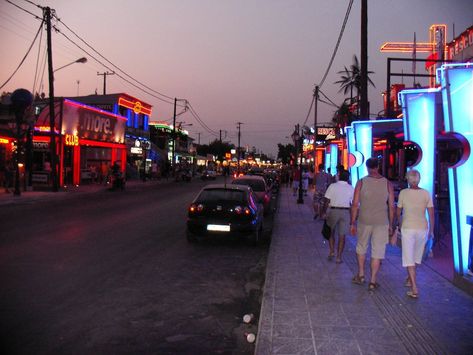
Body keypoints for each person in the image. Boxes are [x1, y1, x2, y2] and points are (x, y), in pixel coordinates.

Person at [350, 157, 395, 291]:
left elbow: (355, 204)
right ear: (378, 167)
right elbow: (391, 206)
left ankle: (361, 274)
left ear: (368, 167)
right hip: (381, 222)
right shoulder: (387, 183)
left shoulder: (361, 182)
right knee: (378, 251)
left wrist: (352, 221)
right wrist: (391, 224)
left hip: (364, 220)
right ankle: (373, 281)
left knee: (362, 246)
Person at [395, 169, 434, 299]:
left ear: (408, 179)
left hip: (408, 227)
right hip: (422, 227)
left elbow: (398, 211)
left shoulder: (403, 193)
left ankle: (414, 287)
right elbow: (431, 214)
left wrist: (398, 224)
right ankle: (409, 279)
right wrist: (432, 230)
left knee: (408, 257)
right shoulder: (426, 193)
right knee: (417, 257)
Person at [323, 170, 354, 263]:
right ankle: (339, 257)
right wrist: (353, 217)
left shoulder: (333, 186)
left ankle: (332, 251)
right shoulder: (351, 188)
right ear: (348, 178)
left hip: (333, 211)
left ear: (339, 176)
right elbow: (353, 204)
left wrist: (324, 212)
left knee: (331, 232)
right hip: (345, 212)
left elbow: (327, 200)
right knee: (342, 236)